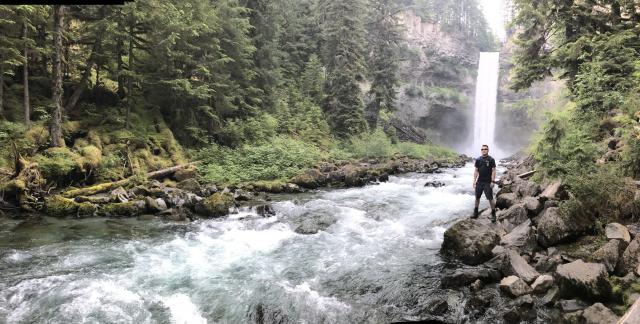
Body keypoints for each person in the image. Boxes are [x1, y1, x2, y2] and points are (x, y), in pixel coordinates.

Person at [472, 144, 497, 223]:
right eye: (482, 149)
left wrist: (493, 181)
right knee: (477, 197)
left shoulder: (491, 159)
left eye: (485, 149)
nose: (484, 150)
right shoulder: (478, 159)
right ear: (481, 150)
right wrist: (474, 181)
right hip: (479, 181)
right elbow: (476, 170)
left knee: (490, 198)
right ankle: (475, 212)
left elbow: (493, 170)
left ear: (488, 150)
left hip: (488, 182)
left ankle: (493, 214)